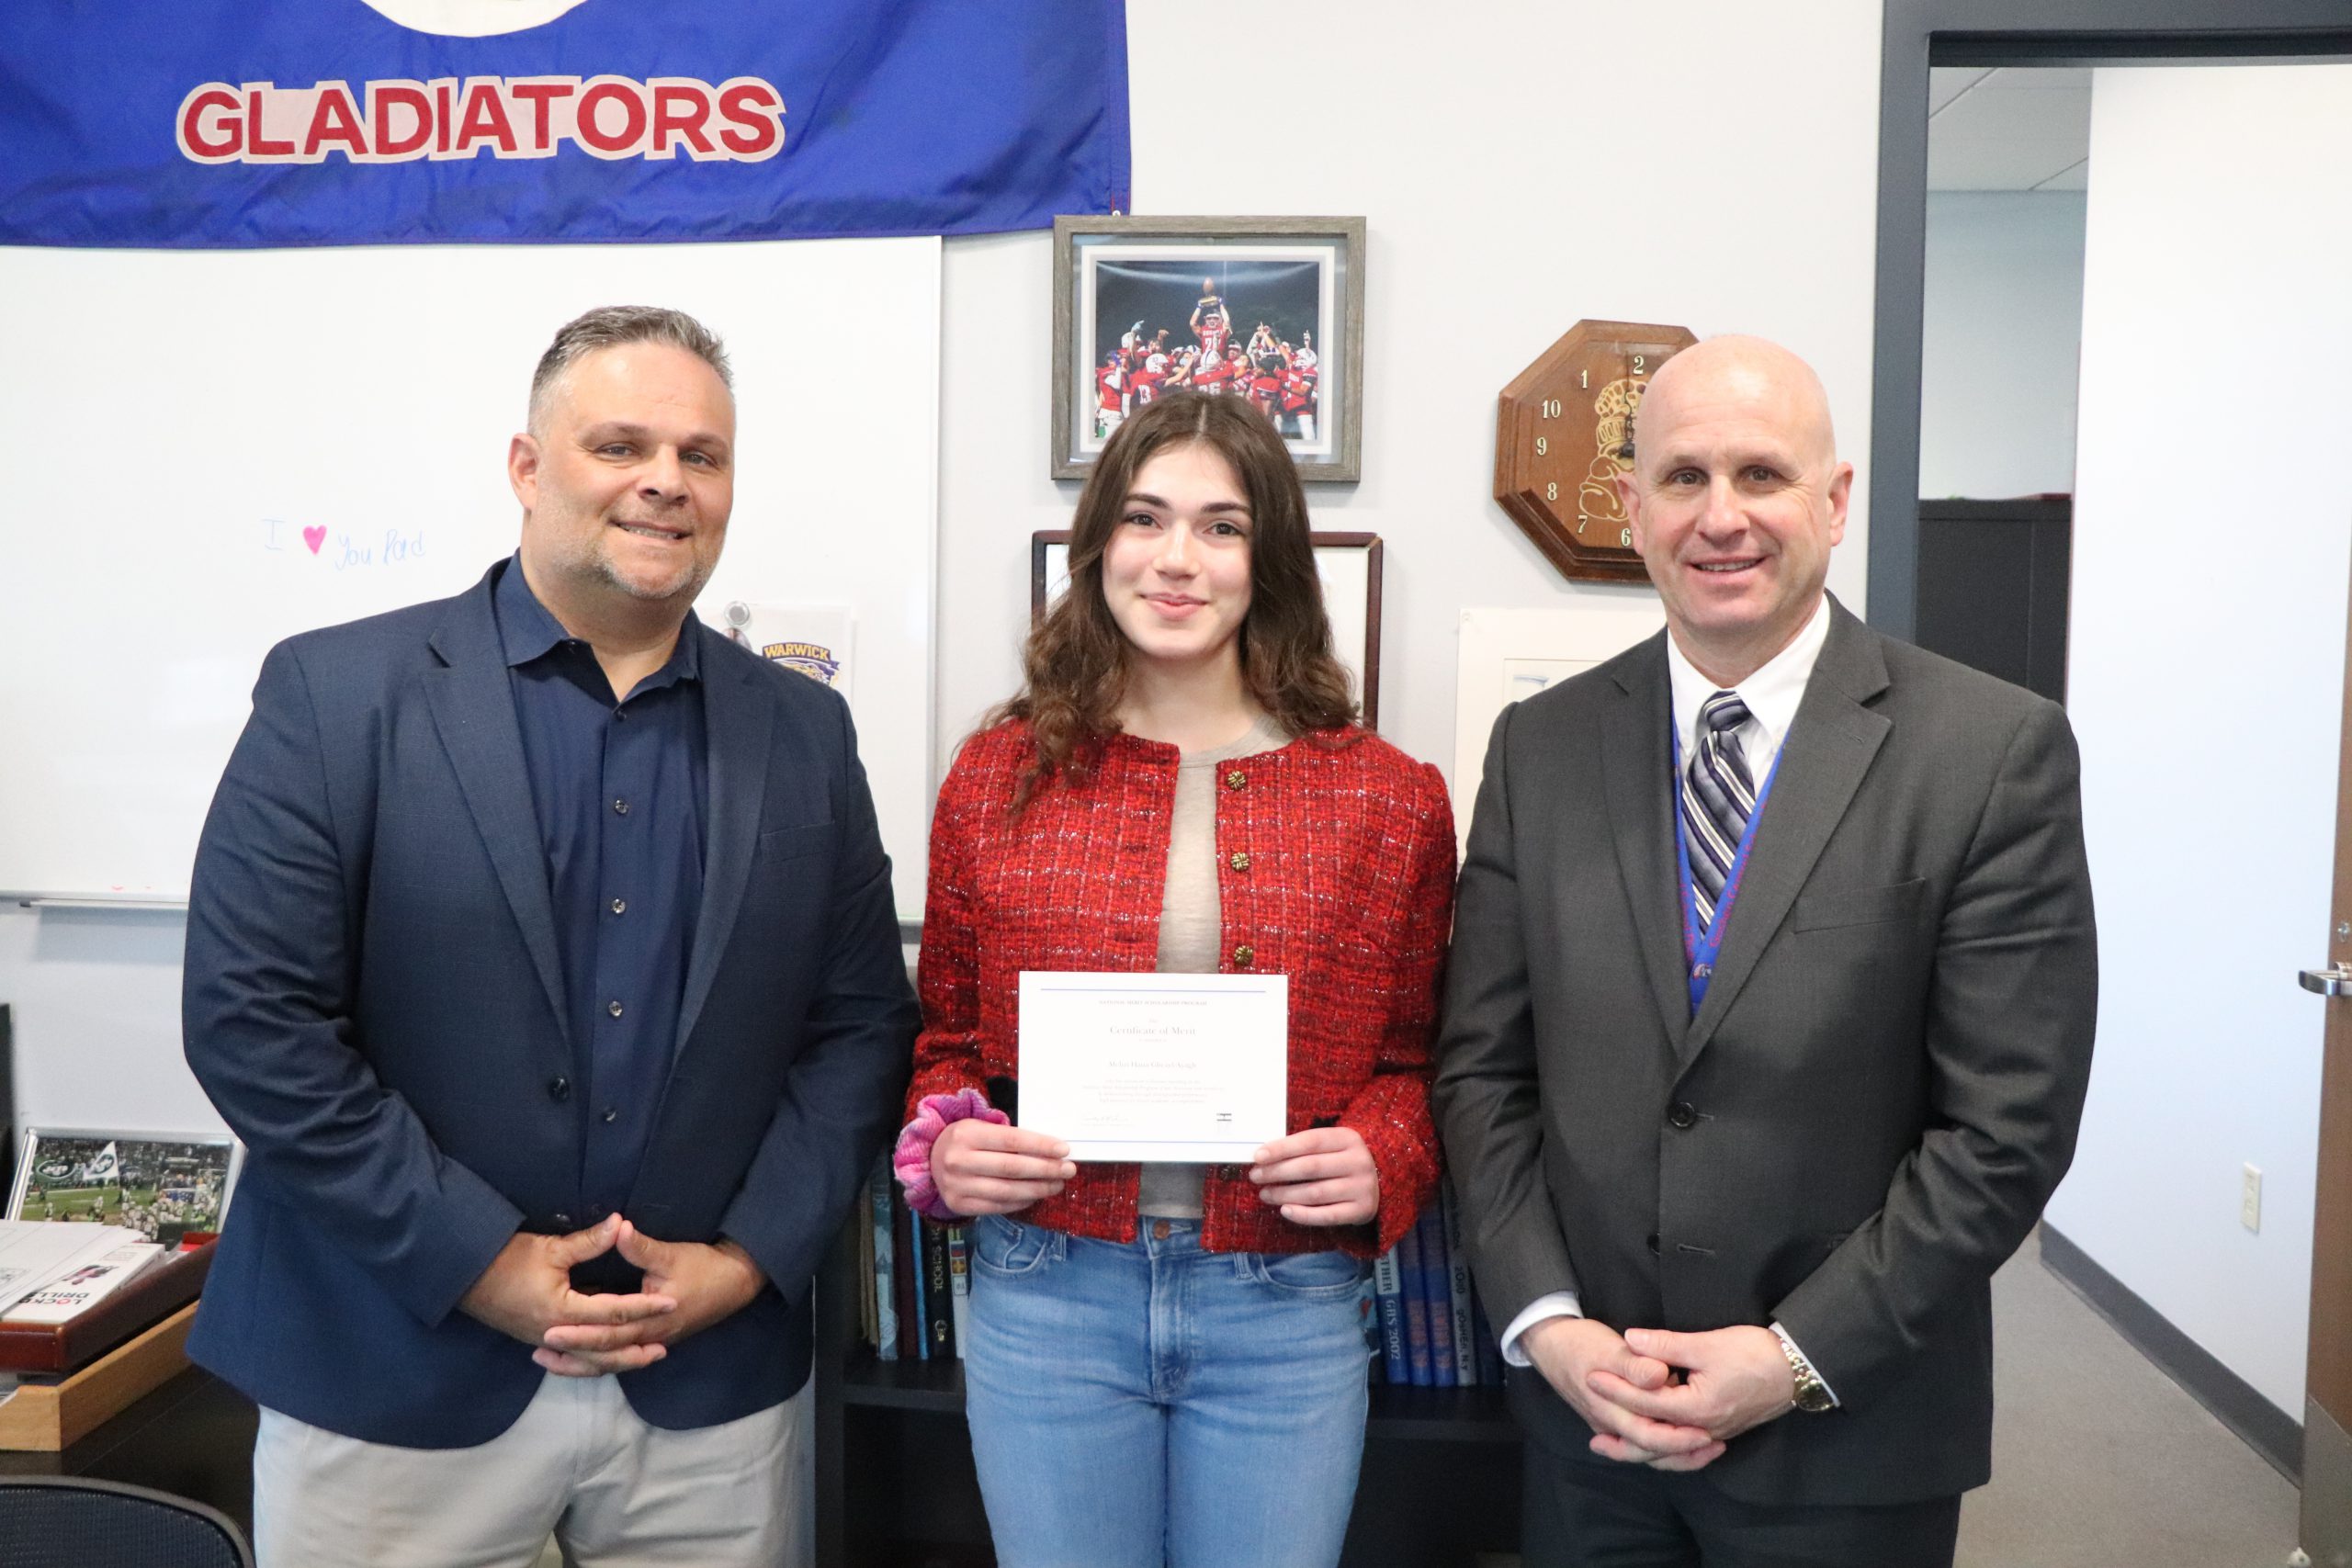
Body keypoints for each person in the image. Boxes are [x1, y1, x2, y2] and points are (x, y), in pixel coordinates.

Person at [183, 305, 918, 1568]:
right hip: (393, 1370)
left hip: (707, 1390)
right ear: (527, 467)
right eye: (619, 443)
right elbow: (254, 1022)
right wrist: (477, 1258)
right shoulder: (337, 693)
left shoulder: (803, 730)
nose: (665, 483)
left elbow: (859, 1025)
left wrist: (745, 1261)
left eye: (702, 454)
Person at [1432, 334, 2097, 1568]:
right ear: (1632, 512)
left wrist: (1789, 1356)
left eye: (1761, 473)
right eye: (1682, 477)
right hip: (1595, 1425)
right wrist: (1552, 1325)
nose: (1721, 515)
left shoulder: (1989, 752)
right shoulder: (1543, 748)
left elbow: (2006, 1128)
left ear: (1834, 499)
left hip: (1851, 1427)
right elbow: (1483, 1071)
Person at [896, 389, 1455, 1568]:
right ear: (1099, 543)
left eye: (1222, 526)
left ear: (1271, 561)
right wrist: (945, 1144)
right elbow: (943, 1041)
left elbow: (1418, 1062)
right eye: (1146, 519)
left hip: (1285, 1305)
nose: (1177, 560)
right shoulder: (996, 776)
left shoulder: (1388, 797)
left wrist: (1382, 1153)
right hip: (1048, 1293)